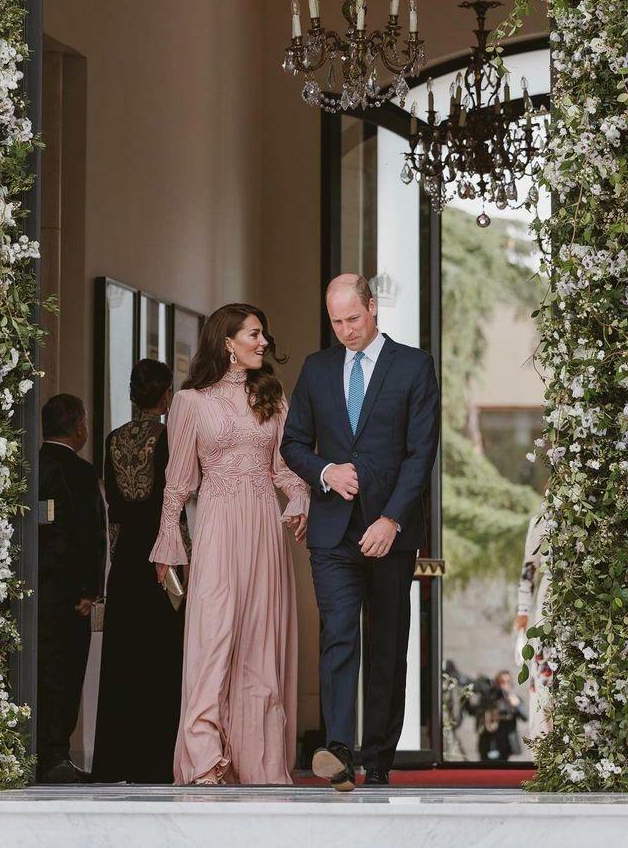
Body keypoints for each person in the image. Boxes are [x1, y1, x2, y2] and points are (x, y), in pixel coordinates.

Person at [281, 274, 440, 791]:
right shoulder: (316, 368)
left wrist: (392, 519)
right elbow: (293, 443)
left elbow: (421, 452)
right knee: (339, 636)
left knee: (387, 645)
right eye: (337, 322)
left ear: (373, 307)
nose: (346, 330)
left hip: (390, 530)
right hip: (333, 532)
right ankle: (340, 751)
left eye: (353, 318)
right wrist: (326, 471)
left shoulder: (414, 366)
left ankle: (378, 757)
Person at [150, 303, 309, 785]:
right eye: (254, 334)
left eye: (263, 334)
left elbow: (284, 469)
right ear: (228, 342)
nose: (263, 342)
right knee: (213, 637)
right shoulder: (190, 402)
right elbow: (178, 482)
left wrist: (300, 496)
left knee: (260, 644)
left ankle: (258, 763)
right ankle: (204, 759)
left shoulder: (271, 397)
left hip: (263, 528)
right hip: (218, 527)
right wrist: (168, 541)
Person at [92, 360, 188, 783]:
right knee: (162, 657)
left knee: (124, 657)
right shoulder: (169, 437)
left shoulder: (113, 439)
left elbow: (113, 511)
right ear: (166, 395)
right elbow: (175, 507)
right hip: (162, 556)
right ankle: (156, 760)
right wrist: (185, 561)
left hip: (128, 558)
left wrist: (117, 559)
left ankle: (118, 760)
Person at [38, 394, 105, 783]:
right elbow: (91, 535)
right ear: (80, 428)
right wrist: (89, 589)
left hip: (36, 590)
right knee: (66, 673)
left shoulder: (32, 465)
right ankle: (55, 754)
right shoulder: (80, 473)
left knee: (38, 670)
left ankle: (35, 751)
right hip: (69, 594)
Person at [513, 514, 551, 740]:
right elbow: (529, 568)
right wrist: (523, 612)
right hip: (549, 601)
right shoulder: (542, 519)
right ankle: (545, 742)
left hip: (585, 602)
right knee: (546, 674)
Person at [477, 671, 527, 761]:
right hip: (488, 742)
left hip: (505, 744)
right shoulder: (488, 698)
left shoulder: (514, 699)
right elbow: (476, 712)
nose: (503, 685)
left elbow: (525, 717)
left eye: (507, 682)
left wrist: (517, 705)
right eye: (501, 682)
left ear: (511, 684)